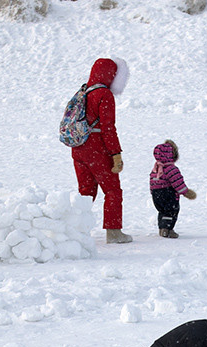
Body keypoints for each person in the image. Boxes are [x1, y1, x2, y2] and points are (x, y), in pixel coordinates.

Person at [71, 57, 133, 244]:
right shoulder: (104, 95)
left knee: (86, 191)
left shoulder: (83, 91)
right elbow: (108, 127)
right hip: (97, 149)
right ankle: (114, 232)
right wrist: (116, 154)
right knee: (113, 190)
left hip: (78, 147)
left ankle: (78, 230)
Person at [149, 140, 197, 239]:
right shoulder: (171, 169)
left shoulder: (156, 168)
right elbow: (178, 182)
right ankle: (168, 230)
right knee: (171, 211)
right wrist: (186, 192)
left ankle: (162, 228)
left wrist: (153, 193)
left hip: (156, 194)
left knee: (162, 211)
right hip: (168, 194)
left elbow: (152, 182)